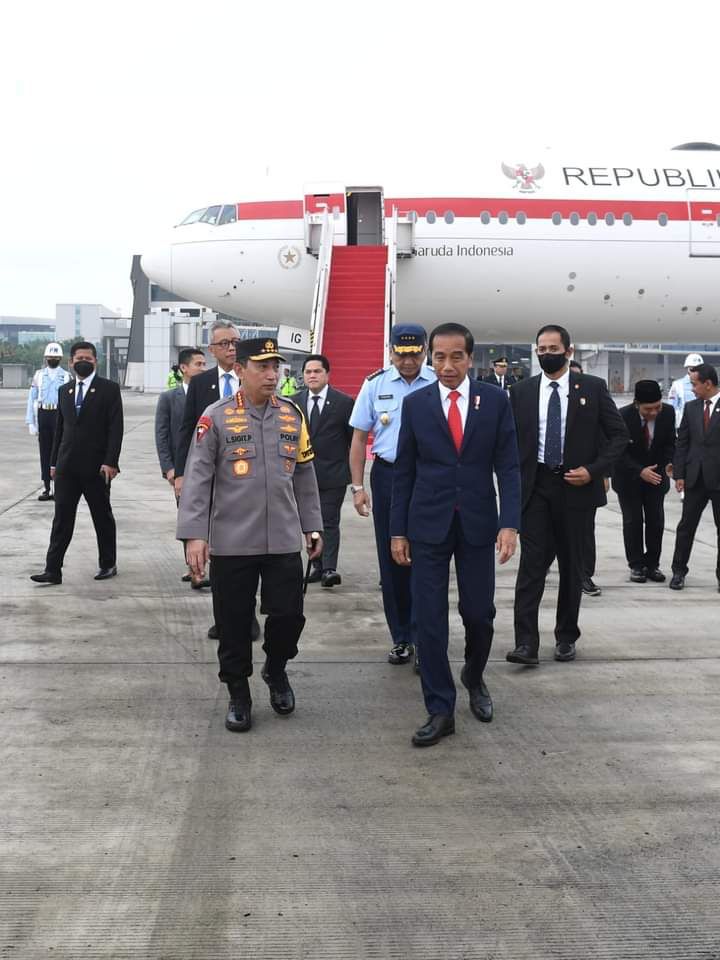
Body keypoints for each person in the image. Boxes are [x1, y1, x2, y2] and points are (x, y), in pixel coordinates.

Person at [177, 337, 323, 732]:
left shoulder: (292, 416)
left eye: (275, 366)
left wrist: (312, 524)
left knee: (289, 615)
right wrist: (195, 535)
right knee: (234, 623)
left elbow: (306, 475)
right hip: (231, 541)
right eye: (263, 367)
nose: (272, 374)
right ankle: (238, 692)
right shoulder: (217, 416)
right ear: (240, 369)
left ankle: (276, 669)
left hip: (282, 540)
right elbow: (197, 480)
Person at [390, 323, 521, 747]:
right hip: (427, 524)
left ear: (470, 358)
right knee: (430, 621)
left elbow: (509, 466)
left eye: (456, 357)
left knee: (479, 613)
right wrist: (398, 531)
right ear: (431, 356)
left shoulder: (496, 401)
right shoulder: (417, 404)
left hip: (479, 524)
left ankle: (474, 676)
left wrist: (509, 522)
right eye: (440, 357)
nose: (447, 366)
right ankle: (440, 708)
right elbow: (404, 471)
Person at [505, 324, 628, 666]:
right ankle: (525, 643)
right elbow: (510, 442)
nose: (546, 354)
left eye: (553, 348)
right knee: (531, 568)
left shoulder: (592, 387)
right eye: (541, 349)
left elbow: (619, 436)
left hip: (576, 489)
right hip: (537, 488)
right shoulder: (522, 392)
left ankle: (566, 637)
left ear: (569, 351)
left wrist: (594, 469)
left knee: (572, 569)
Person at [349, 324, 436, 665]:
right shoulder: (375, 384)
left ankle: (424, 635)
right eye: (401, 354)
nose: (408, 361)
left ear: (425, 351)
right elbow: (358, 439)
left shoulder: (438, 381)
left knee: (428, 555)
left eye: (415, 354)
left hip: (429, 477)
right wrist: (358, 487)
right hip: (389, 477)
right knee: (392, 558)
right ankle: (401, 636)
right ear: (390, 352)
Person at [30, 341, 123, 585]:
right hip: (66, 467)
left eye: (89, 358)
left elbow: (116, 429)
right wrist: (53, 464)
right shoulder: (65, 390)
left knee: (102, 517)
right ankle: (52, 569)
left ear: (96, 361)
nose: (84, 361)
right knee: (61, 518)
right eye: (79, 358)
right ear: (71, 363)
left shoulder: (109, 389)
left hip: (97, 468)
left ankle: (107, 563)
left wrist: (111, 462)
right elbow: (60, 431)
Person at [173, 321, 245, 639]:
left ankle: (247, 615)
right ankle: (224, 617)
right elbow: (187, 429)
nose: (231, 348)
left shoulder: (251, 377)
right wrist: (181, 472)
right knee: (216, 548)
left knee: (246, 548)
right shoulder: (201, 383)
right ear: (213, 350)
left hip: (246, 478)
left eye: (235, 342)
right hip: (210, 478)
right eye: (224, 343)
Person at [293, 354, 354, 587]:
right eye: (308, 372)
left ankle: (329, 568)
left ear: (327, 375)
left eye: (317, 371)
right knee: (310, 521)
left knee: (329, 520)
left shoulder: (343, 402)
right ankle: (317, 566)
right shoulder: (293, 401)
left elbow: (352, 439)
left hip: (333, 474)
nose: (312, 376)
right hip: (302, 475)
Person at [612, 379, 675, 583]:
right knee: (633, 522)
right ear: (636, 404)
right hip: (629, 478)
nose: (654, 412)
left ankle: (652, 565)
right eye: (649, 409)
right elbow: (618, 452)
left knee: (656, 522)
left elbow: (669, 443)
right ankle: (636, 565)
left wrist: (667, 463)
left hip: (656, 476)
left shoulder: (668, 412)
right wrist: (640, 471)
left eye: (658, 407)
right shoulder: (622, 416)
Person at [154, 347, 208, 587]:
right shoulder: (169, 398)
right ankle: (194, 568)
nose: (203, 368)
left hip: (207, 467)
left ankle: (211, 566)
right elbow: (162, 434)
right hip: (182, 469)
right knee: (188, 518)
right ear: (184, 368)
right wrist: (169, 467)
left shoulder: (210, 394)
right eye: (198, 364)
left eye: (204, 364)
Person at [668, 363, 720, 591]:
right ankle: (678, 571)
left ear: (708, 384)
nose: (692, 388)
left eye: (694, 384)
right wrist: (679, 474)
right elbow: (682, 443)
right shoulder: (691, 408)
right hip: (695, 478)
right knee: (686, 527)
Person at [568, 359, 604, 597]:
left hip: (586, 477)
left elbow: (605, 436)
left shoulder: (592, 398)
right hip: (552, 478)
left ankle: (585, 575)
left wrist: (600, 472)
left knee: (585, 531)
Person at [26, 342, 72, 500]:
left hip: (59, 415)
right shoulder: (39, 375)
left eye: (55, 357)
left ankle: (57, 487)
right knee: (44, 452)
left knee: (59, 452)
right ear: (46, 358)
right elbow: (31, 398)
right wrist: (30, 422)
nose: (52, 359)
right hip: (43, 414)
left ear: (60, 358)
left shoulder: (66, 376)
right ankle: (46, 487)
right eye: (50, 357)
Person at [668, 352, 703, 429]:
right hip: (683, 426)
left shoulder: (706, 384)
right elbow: (671, 408)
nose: (695, 371)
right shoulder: (677, 385)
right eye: (692, 369)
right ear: (687, 368)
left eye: (698, 369)